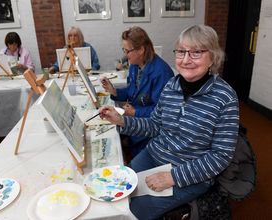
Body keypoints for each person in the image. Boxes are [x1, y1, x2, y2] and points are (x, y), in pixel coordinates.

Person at [99, 24, 239, 219]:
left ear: (213, 57)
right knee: (121, 191)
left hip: (190, 172)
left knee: (136, 208)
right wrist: (122, 120)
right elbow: (155, 125)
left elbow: (221, 156)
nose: (186, 60)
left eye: (196, 52)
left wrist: (174, 177)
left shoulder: (225, 97)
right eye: (181, 52)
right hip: (155, 153)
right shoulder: (172, 85)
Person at [101, 26, 174, 158]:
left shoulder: (162, 73)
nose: (124, 55)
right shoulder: (135, 65)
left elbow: (163, 113)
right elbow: (132, 90)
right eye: (123, 50)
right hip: (135, 124)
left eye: (127, 51)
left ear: (141, 50)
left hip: (149, 132)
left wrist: (135, 112)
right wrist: (115, 91)